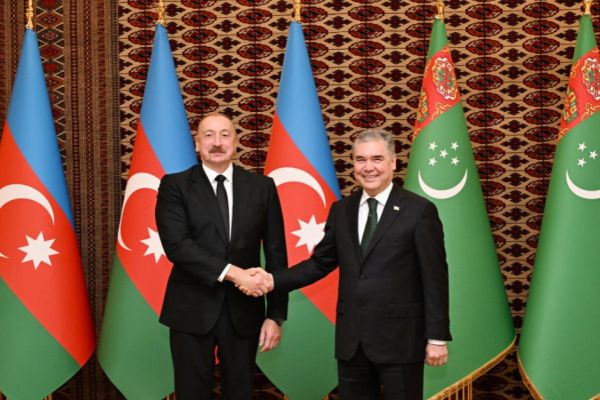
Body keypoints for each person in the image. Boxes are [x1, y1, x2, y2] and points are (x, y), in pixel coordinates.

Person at [243, 129, 451, 399]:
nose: (368, 167)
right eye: (360, 159)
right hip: (352, 343)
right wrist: (273, 280)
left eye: (377, 159)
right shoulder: (342, 210)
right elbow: (319, 263)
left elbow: (435, 278)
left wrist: (436, 338)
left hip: (400, 341)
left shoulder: (419, 211)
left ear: (393, 162)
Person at [155, 113, 288, 400]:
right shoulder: (174, 186)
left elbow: (277, 254)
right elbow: (177, 246)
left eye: (225, 135)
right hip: (190, 310)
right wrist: (236, 274)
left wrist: (275, 316)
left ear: (236, 142)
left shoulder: (262, 188)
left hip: (244, 312)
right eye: (209, 135)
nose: (217, 142)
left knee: (240, 392)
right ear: (197, 143)